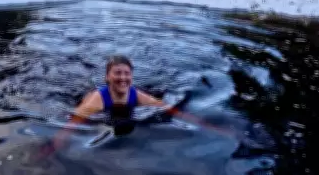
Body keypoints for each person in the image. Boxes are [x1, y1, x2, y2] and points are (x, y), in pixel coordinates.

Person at [44, 55, 234, 154]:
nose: (123, 78)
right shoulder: (96, 101)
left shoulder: (139, 96)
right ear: (107, 77)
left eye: (126, 73)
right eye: (117, 73)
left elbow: (176, 113)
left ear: (131, 76)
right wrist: (51, 149)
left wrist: (212, 127)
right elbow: (69, 127)